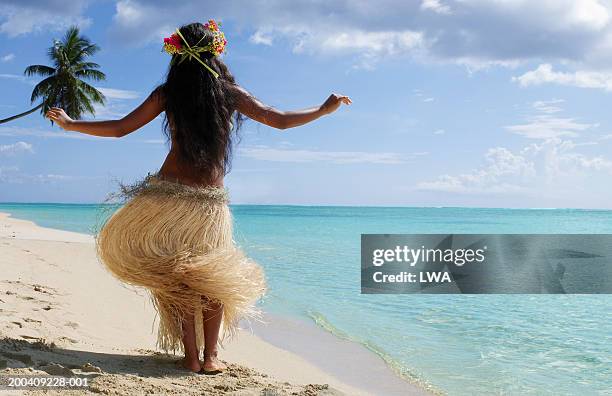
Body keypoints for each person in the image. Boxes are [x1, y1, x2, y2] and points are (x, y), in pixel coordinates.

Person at [45, 20, 351, 374]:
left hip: (165, 199)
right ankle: (209, 358)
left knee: (175, 277)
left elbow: (119, 129)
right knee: (211, 277)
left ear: (178, 54)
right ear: (215, 51)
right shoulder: (229, 93)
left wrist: (71, 124)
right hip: (207, 204)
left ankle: (192, 357)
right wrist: (322, 110)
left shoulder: (168, 93)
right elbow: (278, 120)